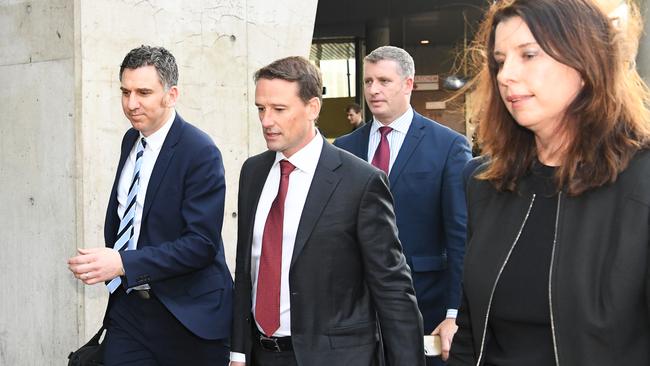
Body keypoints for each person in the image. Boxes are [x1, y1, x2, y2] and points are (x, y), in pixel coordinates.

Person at [449, 0, 650, 365]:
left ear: (586, 63)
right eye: (499, 60)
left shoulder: (642, 181)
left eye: (528, 55)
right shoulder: (487, 184)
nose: (506, 75)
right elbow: (469, 330)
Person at [230, 56, 425, 366]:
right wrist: (238, 351)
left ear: (313, 108)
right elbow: (246, 269)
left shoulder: (360, 182)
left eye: (279, 109)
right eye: (260, 109)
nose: (266, 121)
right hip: (261, 354)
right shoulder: (253, 173)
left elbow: (392, 289)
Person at [67, 45, 233, 365]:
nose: (131, 104)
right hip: (130, 313)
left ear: (171, 95)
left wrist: (123, 263)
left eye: (143, 92)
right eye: (125, 92)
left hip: (188, 318)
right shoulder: (131, 141)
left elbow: (201, 244)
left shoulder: (200, 151)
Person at [334, 46, 471, 364]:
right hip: (355, 311)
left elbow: (460, 236)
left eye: (384, 80)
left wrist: (455, 312)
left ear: (408, 84)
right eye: (368, 81)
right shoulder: (344, 148)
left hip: (425, 305)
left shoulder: (448, 146)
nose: (373, 89)